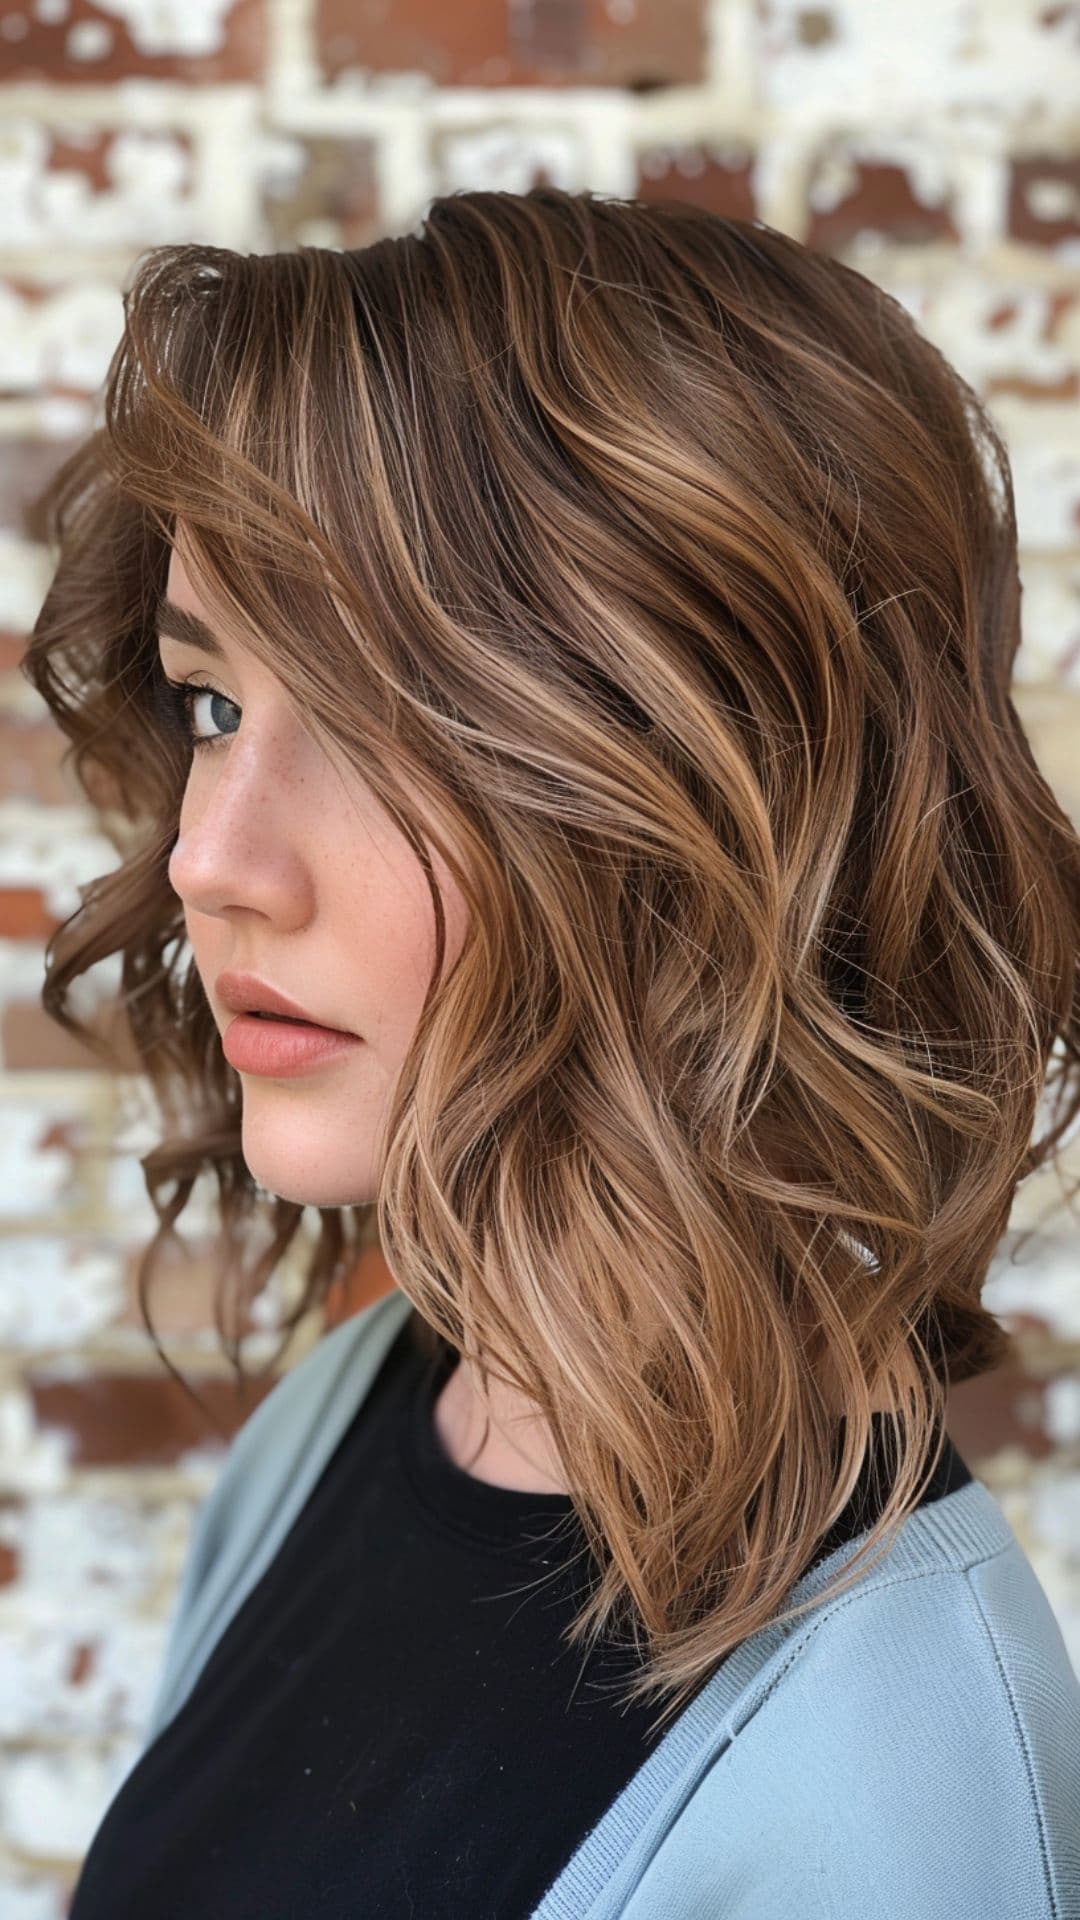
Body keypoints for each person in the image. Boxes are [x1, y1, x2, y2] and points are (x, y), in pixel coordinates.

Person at [23, 186, 1080, 1917]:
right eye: (215, 705)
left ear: (702, 800)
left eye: (375, 722)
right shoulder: (333, 1436)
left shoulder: (900, 1784)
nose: (213, 858)